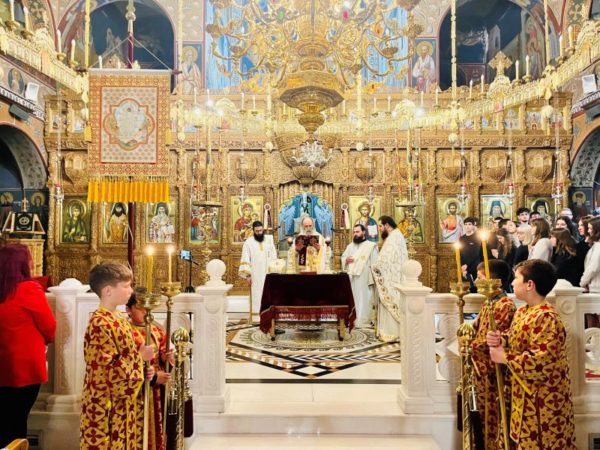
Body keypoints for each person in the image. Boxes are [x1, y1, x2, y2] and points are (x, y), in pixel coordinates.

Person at [487, 260, 576, 449]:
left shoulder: (547, 318)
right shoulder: (522, 311)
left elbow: (540, 362)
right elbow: (518, 338)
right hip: (521, 394)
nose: (512, 282)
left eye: (516, 278)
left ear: (530, 284)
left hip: (542, 402)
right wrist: (502, 340)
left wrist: (504, 357)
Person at [81, 261, 155, 449]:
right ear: (108, 291)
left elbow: (134, 350)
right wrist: (140, 359)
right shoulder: (99, 323)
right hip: (105, 404)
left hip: (123, 404)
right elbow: (110, 367)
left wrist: (145, 367)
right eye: (126, 286)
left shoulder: (120, 318)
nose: (131, 290)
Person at [0, 244, 56, 448]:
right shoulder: (28, 289)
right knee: (17, 419)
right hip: (24, 368)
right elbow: (49, 326)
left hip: (3, 366)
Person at [470, 259, 515, 450]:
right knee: (480, 414)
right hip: (482, 372)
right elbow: (479, 329)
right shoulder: (490, 302)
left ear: (495, 281)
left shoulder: (504, 305)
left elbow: (496, 339)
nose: (476, 282)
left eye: (480, 277)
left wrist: (470, 347)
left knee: (492, 415)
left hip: (492, 372)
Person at [126, 294, 173, 450]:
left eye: (147, 308)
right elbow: (126, 363)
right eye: (139, 307)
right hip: (136, 391)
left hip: (156, 392)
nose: (144, 311)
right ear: (128, 309)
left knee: (157, 428)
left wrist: (166, 359)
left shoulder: (156, 330)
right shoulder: (126, 332)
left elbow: (164, 355)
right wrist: (153, 377)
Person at [373, 216, 408, 341]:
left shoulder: (394, 237)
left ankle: (391, 333)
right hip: (394, 275)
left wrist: (375, 266)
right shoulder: (395, 236)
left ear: (387, 225)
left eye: (380, 226)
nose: (379, 229)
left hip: (392, 278)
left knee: (390, 299)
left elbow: (387, 259)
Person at [239, 221, 278, 322]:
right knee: (256, 294)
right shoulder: (248, 243)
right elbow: (245, 258)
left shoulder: (269, 241)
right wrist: (248, 275)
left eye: (261, 230)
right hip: (255, 274)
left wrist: (275, 271)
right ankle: (257, 317)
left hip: (268, 273)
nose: (259, 233)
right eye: (257, 231)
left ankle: (268, 315)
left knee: (269, 294)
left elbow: (274, 256)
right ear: (253, 230)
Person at [341, 224, 379, 328]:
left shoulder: (371, 246)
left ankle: (364, 320)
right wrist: (346, 260)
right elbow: (344, 257)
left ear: (363, 232)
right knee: (354, 297)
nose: (355, 234)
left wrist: (372, 277)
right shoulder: (350, 246)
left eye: (357, 232)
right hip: (352, 278)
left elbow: (375, 263)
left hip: (365, 277)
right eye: (354, 232)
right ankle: (353, 318)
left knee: (365, 297)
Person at [459, 217, 483, 292]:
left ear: (473, 225)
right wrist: (462, 266)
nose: (467, 226)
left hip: (475, 266)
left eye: (469, 224)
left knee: (476, 288)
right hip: (464, 267)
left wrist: (467, 266)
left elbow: (476, 253)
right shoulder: (462, 238)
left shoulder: (477, 237)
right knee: (466, 289)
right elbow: (460, 253)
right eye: (465, 224)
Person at [580, 217, 600, 293]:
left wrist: (582, 283)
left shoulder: (598, 246)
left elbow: (592, 268)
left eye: (590, 228)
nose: (588, 231)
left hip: (596, 288)